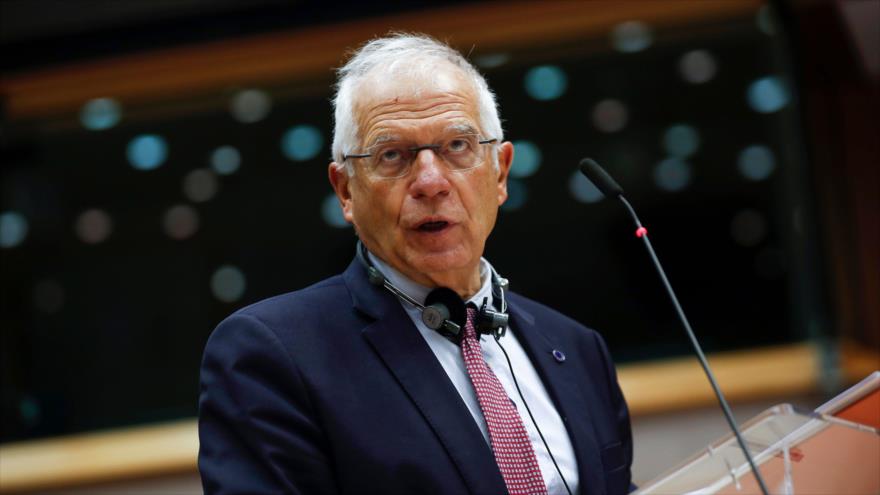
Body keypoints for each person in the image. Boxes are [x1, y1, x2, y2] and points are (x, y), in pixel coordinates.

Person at [198, 33, 633, 495]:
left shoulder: (577, 348)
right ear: (345, 191)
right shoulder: (272, 357)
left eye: (458, 146)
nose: (430, 181)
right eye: (392, 156)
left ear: (500, 173)